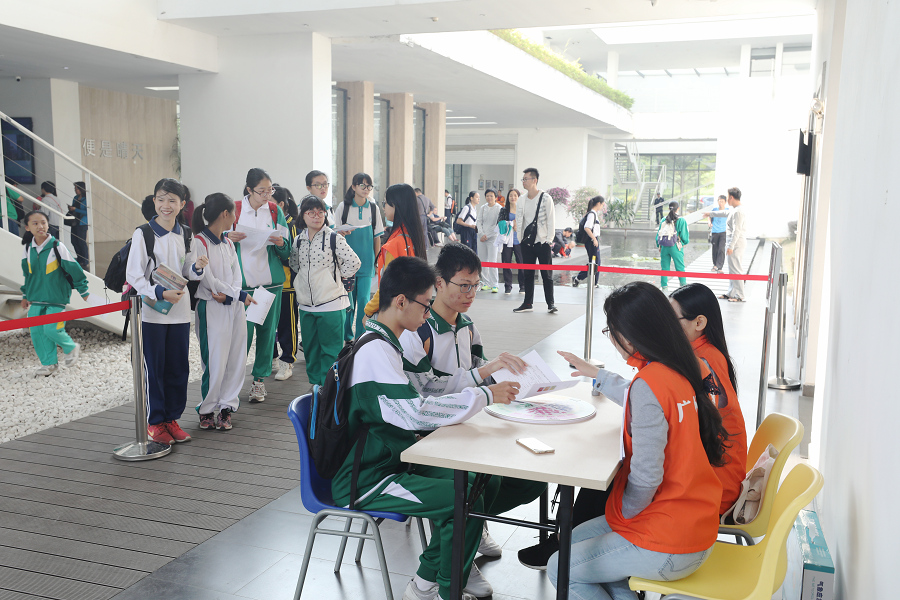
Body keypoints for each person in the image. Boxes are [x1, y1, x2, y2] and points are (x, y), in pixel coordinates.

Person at [329, 256, 522, 600]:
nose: (429, 312)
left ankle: (431, 580)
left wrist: (481, 389)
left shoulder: (387, 342)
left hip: (397, 459)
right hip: (368, 477)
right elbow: (415, 414)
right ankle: (442, 586)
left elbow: (422, 397)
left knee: (479, 483)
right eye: (426, 303)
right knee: (462, 499)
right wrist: (483, 396)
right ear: (401, 301)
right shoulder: (374, 351)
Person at [550, 281, 728, 600]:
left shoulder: (650, 382)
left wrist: (625, 518)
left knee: (559, 568)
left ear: (630, 335)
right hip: (695, 522)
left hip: (671, 541)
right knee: (574, 540)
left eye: (611, 331)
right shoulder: (685, 367)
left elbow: (646, 477)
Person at [399, 242, 546, 567]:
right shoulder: (417, 330)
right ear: (439, 283)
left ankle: (472, 524)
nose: (471, 294)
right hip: (430, 434)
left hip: (469, 423)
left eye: (476, 286)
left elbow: (481, 371)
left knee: (532, 480)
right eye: (464, 285)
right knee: (484, 481)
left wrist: (513, 375)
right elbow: (423, 392)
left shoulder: (467, 327)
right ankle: (462, 544)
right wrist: (483, 379)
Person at [126, 178, 204, 445]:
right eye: (161, 199)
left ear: (183, 204)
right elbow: (134, 275)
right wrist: (159, 292)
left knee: (178, 368)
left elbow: (188, 271)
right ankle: (155, 422)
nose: (166, 205)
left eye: (172, 200)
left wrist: (198, 267)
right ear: (154, 201)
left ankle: (172, 419)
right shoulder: (144, 233)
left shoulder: (186, 234)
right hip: (153, 314)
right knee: (154, 369)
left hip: (180, 313)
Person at [670, 283, 748, 514]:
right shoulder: (707, 353)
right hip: (716, 478)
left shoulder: (702, 362)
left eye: (673, 319)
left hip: (714, 490)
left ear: (699, 323)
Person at [189, 193, 256, 431]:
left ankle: (227, 407)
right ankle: (207, 409)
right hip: (211, 307)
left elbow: (237, 275)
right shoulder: (200, 242)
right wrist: (235, 294)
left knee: (236, 358)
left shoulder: (228, 243)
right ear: (225, 214)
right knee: (215, 361)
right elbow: (208, 280)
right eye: (234, 213)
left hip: (234, 305)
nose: (235, 217)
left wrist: (234, 295)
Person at [228, 168, 291, 403]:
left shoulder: (274, 211)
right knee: (241, 337)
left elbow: (287, 250)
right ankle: (233, 384)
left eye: (269, 190)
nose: (267, 195)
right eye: (261, 191)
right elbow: (218, 241)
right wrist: (227, 237)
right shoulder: (235, 210)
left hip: (269, 284)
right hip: (243, 287)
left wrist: (280, 242)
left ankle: (259, 382)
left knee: (266, 335)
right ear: (249, 190)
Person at [289, 194, 361, 388]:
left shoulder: (333, 238)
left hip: (332, 304)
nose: (316, 216)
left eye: (320, 212)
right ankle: (316, 389)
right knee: (311, 351)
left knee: (331, 352)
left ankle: (329, 391)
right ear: (303, 215)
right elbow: (294, 264)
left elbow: (354, 262)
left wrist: (336, 278)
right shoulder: (298, 240)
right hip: (306, 305)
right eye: (311, 212)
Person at [19, 210, 89, 377]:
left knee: (52, 329)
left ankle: (70, 347)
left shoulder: (57, 246)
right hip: (36, 298)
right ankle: (49, 364)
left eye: (43, 222)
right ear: (27, 227)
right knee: (37, 332)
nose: (40, 226)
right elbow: (28, 274)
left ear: (48, 224)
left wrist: (83, 290)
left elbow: (74, 269)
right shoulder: (28, 249)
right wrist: (25, 295)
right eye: (35, 223)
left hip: (55, 297)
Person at [364, 183, 428, 319]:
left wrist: (368, 311)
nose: (384, 207)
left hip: (393, 313)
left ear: (396, 205)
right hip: (413, 310)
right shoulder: (414, 237)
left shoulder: (395, 244)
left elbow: (387, 287)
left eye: (385, 203)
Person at [337, 172, 385, 342]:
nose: (366, 189)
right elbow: (335, 234)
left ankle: (360, 337)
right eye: (362, 185)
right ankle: (347, 337)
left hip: (366, 263)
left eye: (369, 186)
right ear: (353, 187)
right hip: (346, 265)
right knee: (348, 303)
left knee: (364, 301)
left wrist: (376, 260)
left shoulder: (373, 208)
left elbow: (377, 237)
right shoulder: (343, 207)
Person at [514, 167, 557, 314]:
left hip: (543, 242)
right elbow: (520, 220)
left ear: (535, 180)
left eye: (526, 179)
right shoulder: (521, 199)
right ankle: (527, 303)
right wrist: (520, 238)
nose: (523, 182)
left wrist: (549, 240)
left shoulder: (546, 198)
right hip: (526, 242)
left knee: (547, 275)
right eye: (523, 179)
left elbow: (551, 219)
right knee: (528, 274)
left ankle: (550, 304)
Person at [272, 185, 300, 381]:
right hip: (267, 281)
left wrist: (276, 253)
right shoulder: (267, 222)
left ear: (281, 204)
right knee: (267, 323)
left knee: (287, 324)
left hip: (286, 283)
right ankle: (272, 357)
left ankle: (287, 361)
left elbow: (293, 257)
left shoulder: (291, 225)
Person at [705, 187, 746, 302]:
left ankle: (740, 295)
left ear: (731, 197)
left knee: (736, 268)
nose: (727, 199)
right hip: (733, 242)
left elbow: (737, 230)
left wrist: (731, 246)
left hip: (736, 243)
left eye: (727, 197)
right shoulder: (734, 210)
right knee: (732, 268)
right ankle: (731, 293)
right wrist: (710, 213)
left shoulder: (738, 211)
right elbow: (724, 213)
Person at [656, 200, 689, 290]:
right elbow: (684, 236)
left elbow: (658, 234)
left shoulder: (663, 219)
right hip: (676, 246)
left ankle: (664, 287)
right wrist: (684, 243)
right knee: (680, 267)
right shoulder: (681, 220)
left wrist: (659, 245)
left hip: (664, 246)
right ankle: (683, 287)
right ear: (678, 208)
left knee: (664, 268)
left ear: (668, 208)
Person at [573, 196, 605, 288]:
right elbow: (587, 228)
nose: (602, 207)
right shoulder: (592, 214)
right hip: (591, 241)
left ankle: (591, 282)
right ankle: (580, 279)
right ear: (598, 204)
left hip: (593, 241)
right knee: (595, 263)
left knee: (595, 262)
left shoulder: (593, 213)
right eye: (602, 204)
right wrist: (594, 239)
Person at [498, 188, 524, 294]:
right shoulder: (504, 210)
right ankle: (508, 286)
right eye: (510, 195)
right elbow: (499, 223)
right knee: (506, 263)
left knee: (521, 264)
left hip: (519, 241)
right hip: (507, 241)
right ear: (508, 197)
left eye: (515, 195)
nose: (513, 197)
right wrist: (510, 223)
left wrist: (519, 225)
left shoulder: (522, 210)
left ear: (518, 197)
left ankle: (523, 286)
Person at [476, 188, 501, 292]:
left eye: (491, 196)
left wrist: (487, 235)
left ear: (495, 197)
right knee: (483, 261)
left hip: (493, 238)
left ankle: (494, 284)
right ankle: (486, 282)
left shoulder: (499, 208)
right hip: (481, 238)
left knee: (492, 261)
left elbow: (498, 224)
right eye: (487, 196)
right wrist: (481, 234)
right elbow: (479, 221)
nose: (489, 198)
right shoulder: (483, 207)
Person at [67, 181, 89, 269]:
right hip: (74, 222)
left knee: (81, 242)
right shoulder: (75, 197)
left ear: (81, 189)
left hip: (82, 223)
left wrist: (76, 209)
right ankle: (79, 258)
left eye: (77, 188)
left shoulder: (86, 199)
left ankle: (85, 260)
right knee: (74, 241)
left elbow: (87, 212)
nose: (75, 190)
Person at [709, 195, 728, 273]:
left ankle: (720, 266)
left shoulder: (727, 211)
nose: (721, 203)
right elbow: (709, 216)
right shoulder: (714, 210)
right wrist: (709, 222)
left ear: (725, 202)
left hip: (723, 232)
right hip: (715, 231)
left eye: (722, 201)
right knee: (715, 249)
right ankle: (715, 265)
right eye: (719, 201)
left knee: (721, 249)